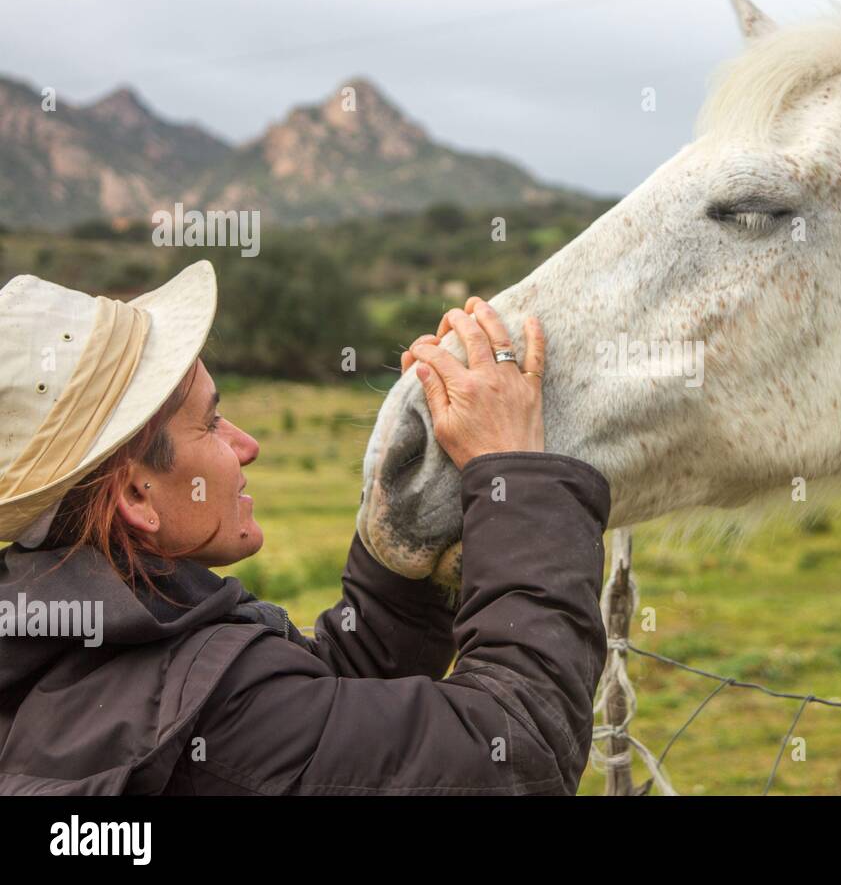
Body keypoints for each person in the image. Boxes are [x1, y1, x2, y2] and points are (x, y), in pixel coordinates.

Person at [0, 260, 611, 794]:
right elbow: (521, 751)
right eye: (211, 424)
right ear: (138, 493)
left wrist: (398, 539)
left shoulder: (62, 655)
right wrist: (515, 473)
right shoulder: (215, 718)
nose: (248, 445)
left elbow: (324, 727)